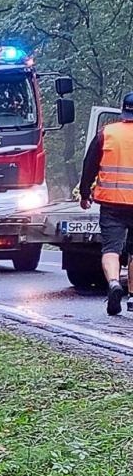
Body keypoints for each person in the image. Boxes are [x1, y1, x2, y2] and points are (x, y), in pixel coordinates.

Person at [80, 92, 133, 315]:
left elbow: (90, 164)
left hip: (112, 204)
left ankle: (113, 283)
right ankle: (132, 297)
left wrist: (84, 193)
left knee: (111, 249)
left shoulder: (107, 133)